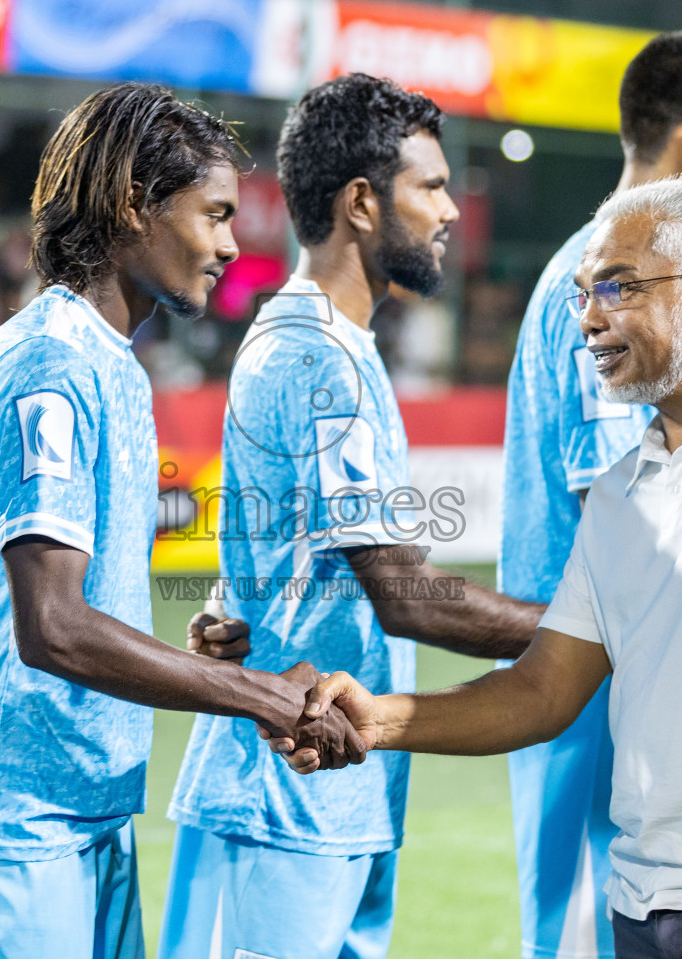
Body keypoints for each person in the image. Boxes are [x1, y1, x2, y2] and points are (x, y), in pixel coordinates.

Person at [285, 179, 682, 959]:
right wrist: (377, 719)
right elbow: (542, 689)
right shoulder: (623, 490)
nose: (588, 317)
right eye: (584, 293)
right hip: (642, 908)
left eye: (616, 288)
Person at [0, 83, 368, 959]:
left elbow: (38, 610)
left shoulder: (107, 363)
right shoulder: (53, 367)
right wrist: (262, 695)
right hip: (10, 827)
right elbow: (55, 628)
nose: (233, 244)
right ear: (130, 207)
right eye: (214, 215)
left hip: (82, 814)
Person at [160, 74, 544, 959]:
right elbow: (405, 593)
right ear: (363, 203)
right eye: (434, 187)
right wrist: (577, 632)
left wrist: (230, 613)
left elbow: (277, 552)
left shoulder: (334, 346)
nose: (452, 210)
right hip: (285, 790)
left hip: (334, 780)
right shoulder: (315, 356)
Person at [499, 31, 682, 959]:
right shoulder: (608, 278)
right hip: (596, 706)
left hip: (629, 699)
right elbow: (633, 512)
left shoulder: (634, 271)